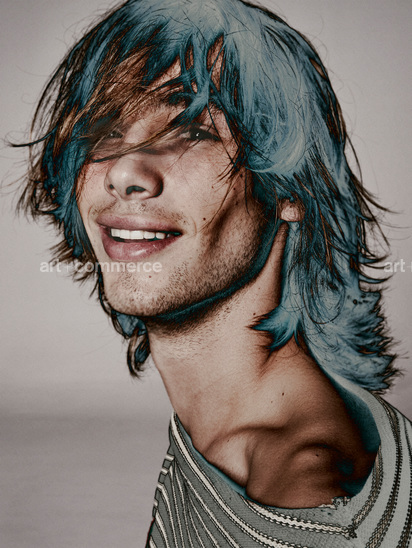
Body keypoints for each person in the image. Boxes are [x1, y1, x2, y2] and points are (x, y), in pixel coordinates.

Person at [17, 0, 412, 545]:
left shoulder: (305, 501)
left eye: (190, 130)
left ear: (290, 188)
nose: (125, 171)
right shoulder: (234, 436)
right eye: (105, 130)